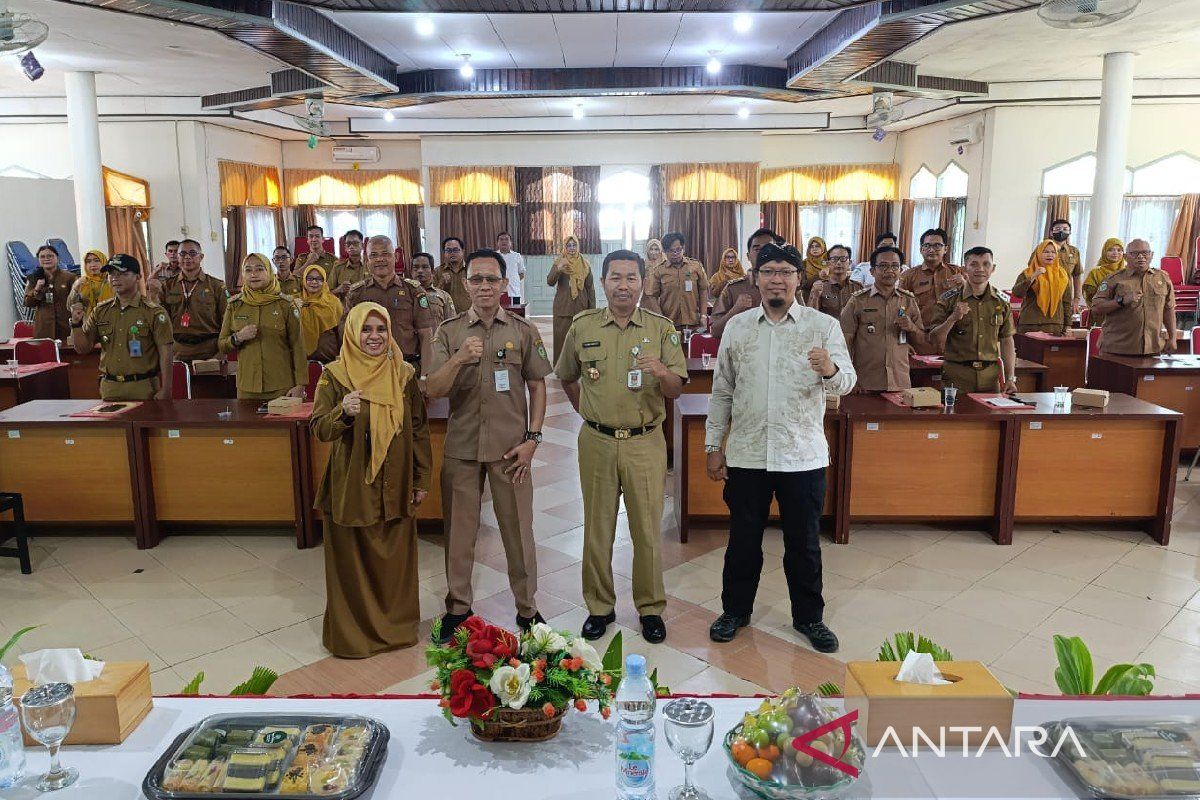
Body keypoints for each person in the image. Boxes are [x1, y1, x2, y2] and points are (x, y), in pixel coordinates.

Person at [705, 242, 854, 652]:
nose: (777, 278)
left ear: (798, 279)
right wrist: (713, 445)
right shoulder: (738, 328)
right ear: (756, 278)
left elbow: (847, 382)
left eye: (786, 272)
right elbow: (722, 391)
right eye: (768, 270)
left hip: (801, 455)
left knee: (803, 543)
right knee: (743, 541)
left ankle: (810, 618)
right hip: (749, 452)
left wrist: (831, 370)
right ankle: (735, 611)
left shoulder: (822, 326)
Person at [555, 249, 687, 644]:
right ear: (604, 282)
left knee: (647, 530)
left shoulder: (661, 329)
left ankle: (650, 609)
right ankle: (599, 607)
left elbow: (676, 389)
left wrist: (663, 372)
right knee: (597, 529)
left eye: (632, 277)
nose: (624, 285)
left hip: (645, 443)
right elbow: (567, 376)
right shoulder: (583, 326)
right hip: (596, 441)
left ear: (643, 282)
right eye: (616, 277)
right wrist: (590, 415)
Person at [426, 248, 553, 642]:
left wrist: (533, 439)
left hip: (510, 450)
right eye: (476, 280)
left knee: (518, 531)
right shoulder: (448, 333)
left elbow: (537, 385)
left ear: (504, 284)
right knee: (460, 534)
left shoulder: (521, 330)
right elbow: (433, 389)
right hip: (462, 449)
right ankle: (458, 607)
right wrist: (460, 359)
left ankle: (527, 608)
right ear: (465, 285)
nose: (484, 287)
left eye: (491, 279)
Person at [311, 301, 432, 659]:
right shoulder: (335, 375)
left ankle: (395, 630)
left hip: (396, 482)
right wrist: (341, 412)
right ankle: (354, 637)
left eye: (381, 330)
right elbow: (319, 428)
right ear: (351, 332)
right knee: (352, 562)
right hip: (352, 487)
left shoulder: (404, 374)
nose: (374, 337)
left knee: (395, 562)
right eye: (366, 329)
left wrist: (421, 478)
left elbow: (419, 430)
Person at [69, 254, 173, 401]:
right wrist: (76, 324)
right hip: (110, 387)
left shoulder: (153, 312)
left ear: (138, 277)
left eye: (123, 273)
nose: (115, 278)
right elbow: (83, 349)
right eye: (111, 274)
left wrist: (166, 389)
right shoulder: (101, 310)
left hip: (143, 387)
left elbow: (166, 352)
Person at [929, 246, 1017, 394]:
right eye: (974, 264)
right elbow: (933, 338)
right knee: (955, 416)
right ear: (964, 269)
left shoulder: (1001, 302)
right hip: (957, 375)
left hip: (990, 377)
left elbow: (1007, 341)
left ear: (993, 268)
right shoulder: (948, 299)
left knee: (991, 417)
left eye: (986, 264)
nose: (980, 269)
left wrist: (1010, 378)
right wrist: (952, 319)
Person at [219, 253, 307, 400]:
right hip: (247, 386)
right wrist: (238, 337)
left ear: (269, 271)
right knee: (250, 423)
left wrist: (301, 384)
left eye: (259, 269)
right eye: (248, 270)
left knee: (281, 424)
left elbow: (298, 346)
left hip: (281, 385)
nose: (253, 274)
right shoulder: (235, 305)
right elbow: (222, 345)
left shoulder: (286, 304)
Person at [840, 246, 925, 392]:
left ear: (900, 270)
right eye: (883, 266)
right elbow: (844, 342)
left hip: (900, 383)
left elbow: (922, 343)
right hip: (865, 383)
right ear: (872, 271)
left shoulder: (908, 301)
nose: (890, 271)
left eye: (895, 266)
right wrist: (848, 376)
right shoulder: (858, 301)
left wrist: (911, 327)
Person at [342, 235, 433, 371]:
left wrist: (426, 376)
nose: (380, 259)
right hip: (368, 368)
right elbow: (348, 336)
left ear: (395, 257)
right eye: (373, 255)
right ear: (367, 260)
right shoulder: (357, 293)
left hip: (407, 367)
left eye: (385, 254)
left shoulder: (413, 290)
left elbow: (426, 334)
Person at [1090, 239, 1177, 356]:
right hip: (1117, 349)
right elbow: (1096, 308)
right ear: (1125, 257)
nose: (1141, 257)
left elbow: (1168, 309)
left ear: (1152, 255)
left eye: (1145, 253)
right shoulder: (1114, 279)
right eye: (1135, 254)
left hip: (1152, 348)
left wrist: (1172, 338)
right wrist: (1121, 301)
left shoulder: (1163, 278)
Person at [157, 239, 228, 363]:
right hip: (177, 351)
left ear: (201, 257)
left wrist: (221, 352)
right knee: (181, 383)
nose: (187, 257)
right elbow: (161, 321)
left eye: (193, 253)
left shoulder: (216, 285)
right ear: (177, 258)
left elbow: (227, 320)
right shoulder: (167, 286)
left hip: (210, 350)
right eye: (183, 254)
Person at [710, 228, 781, 338]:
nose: (763, 253)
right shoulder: (733, 289)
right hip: (743, 353)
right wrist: (736, 309)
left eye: (768, 248)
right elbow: (715, 331)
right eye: (757, 249)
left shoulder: (786, 287)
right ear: (748, 256)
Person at [643, 232, 708, 331]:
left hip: (695, 322)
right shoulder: (659, 271)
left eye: (678, 250)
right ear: (664, 251)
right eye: (671, 251)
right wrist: (661, 318)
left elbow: (703, 289)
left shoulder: (695, 266)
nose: (676, 254)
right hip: (670, 324)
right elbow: (652, 296)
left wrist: (703, 315)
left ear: (683, 248)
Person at [547, 234, 597, 360]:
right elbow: (550, 281)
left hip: (581, 307)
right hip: (563, 308)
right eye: (568, 245)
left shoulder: (585, 264)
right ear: (565, 247)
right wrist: (559, 269)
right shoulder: (559, 262)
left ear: (578, 246)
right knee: (561, 340)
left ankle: (579, 367)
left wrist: (592, 311)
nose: (572, 248)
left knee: (580, 339)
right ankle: (561, 368)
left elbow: (590, 288)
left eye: (574, 245)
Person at [1012, 239, 1072, 335]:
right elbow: (1017, 293)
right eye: (1046, 252)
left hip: (1054, 325)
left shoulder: (1062, 275)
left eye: (1053, 252)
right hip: (1029, 324)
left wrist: (1068, 324)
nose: (1050, 255)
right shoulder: (1028, 272)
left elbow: (1067, 301)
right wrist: (1033, 277)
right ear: (1038, 253)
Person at [23, 245, 75, 340]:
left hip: (65, 327)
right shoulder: (33, 278)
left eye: (50, 256)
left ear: (57, 257)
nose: (46, 259)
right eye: (42, 257)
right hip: (43, 328)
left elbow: (76, 301)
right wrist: (37, 289)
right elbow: (27, 303)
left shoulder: (69, 277)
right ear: (38, 259)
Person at [299, 265, 343, 363]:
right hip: (301, 356)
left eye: (319, 279)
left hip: (328, 354)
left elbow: (341, 330)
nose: (314, 282)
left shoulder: (334, 302)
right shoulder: (295, 302)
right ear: (304, 280)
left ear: (324, 281)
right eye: (310, 278)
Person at [806, 245, 862, 318]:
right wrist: (815, 296)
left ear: (850, 262)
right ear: (828, 263)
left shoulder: (858, 288)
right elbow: (810, 317)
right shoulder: (820, 287)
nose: (838, 262)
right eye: (834, 259)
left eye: (843, 259)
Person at [1048, 218, 1085, 312]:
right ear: (1051, 232)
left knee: (1066, 324)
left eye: (1065, 229)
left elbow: (1077, 276)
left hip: (1066, 296)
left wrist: (1076, 299)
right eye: (1058, 229)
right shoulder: (1041, 249)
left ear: (1069, 233)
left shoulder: (1074, 251)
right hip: (1046, 294)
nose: (1061, 231)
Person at [411, 252, 455, 327]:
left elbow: (452, 325)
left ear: (432, 272)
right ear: (411, 272)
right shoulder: (404, 295)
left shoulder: (444, 296)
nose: (420, 271)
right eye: (416, 267)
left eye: (425, 267)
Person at [67, 249, 114, 319]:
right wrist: (75, 289)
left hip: (112, 323)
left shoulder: (113, 280)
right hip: (89, 325)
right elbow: (69, 306)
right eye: (88, 262)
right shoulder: (82, 283)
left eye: (96, 260)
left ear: (104, 262)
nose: (92, 265)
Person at [1083, 238, 1126, 306]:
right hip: (1101, 311)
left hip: (1123, 313)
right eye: (1110, 250)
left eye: (1119, 250)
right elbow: (1090, 297)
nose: (1115, 253)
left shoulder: (1127, 272)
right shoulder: (1095, 273)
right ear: (1104, 252)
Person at [436, 236, 471, 314]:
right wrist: (441, 284)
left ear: (463, 251)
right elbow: (432, 298)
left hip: (469, 316)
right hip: (446, 317)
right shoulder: (438, 271)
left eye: (455, 250)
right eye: (448, 250)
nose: (452, 253)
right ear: (444, 253)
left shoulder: (471, 269)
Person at [329, 230, 367, 301]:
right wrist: (338, 290)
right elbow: (327, 294)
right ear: (345, 248)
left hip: (366, 307)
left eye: (355, 243)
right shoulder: (338, 267)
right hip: (344, 309)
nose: (351, 246)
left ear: (362, 246)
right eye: (348, 244)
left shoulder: (370, 266)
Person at [496, 232, 526, 306]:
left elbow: (521, 273)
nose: (504, 241)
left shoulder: (517, 256)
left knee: (514, 314)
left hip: (514, 292)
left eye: (506, 239)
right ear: (497, 243)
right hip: (498, 292)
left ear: (510, 243)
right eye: (501, 239)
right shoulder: (494, 256)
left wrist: (513, 280)